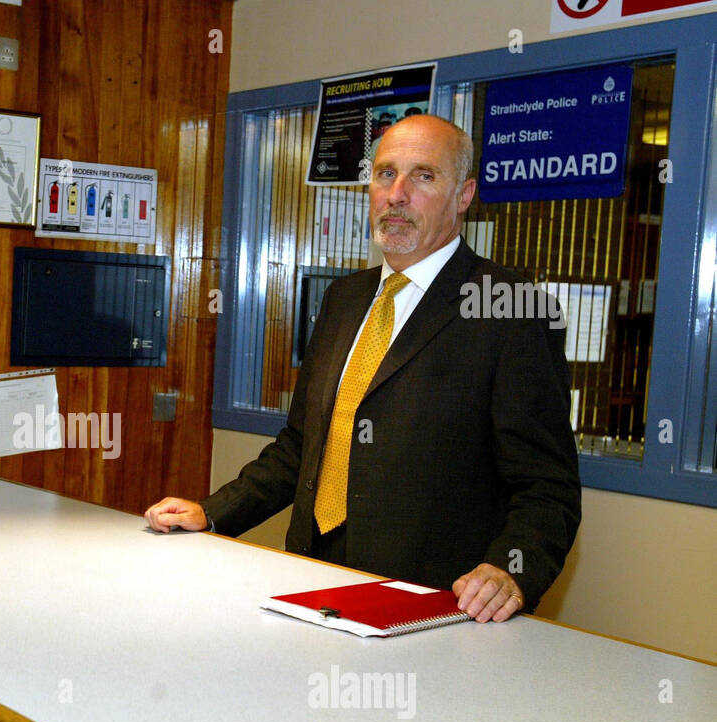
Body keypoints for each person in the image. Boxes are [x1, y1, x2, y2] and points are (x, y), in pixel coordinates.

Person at [145, 115, 580, 624]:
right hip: (311, 581)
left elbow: (547, 485)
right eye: (385, 174)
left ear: (463, 196)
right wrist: (215, 512)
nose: (397, 194)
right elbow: (303, 446)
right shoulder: (345, 298)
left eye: (423, 176)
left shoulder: (509, 307)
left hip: (429, 608)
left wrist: (512, 571)